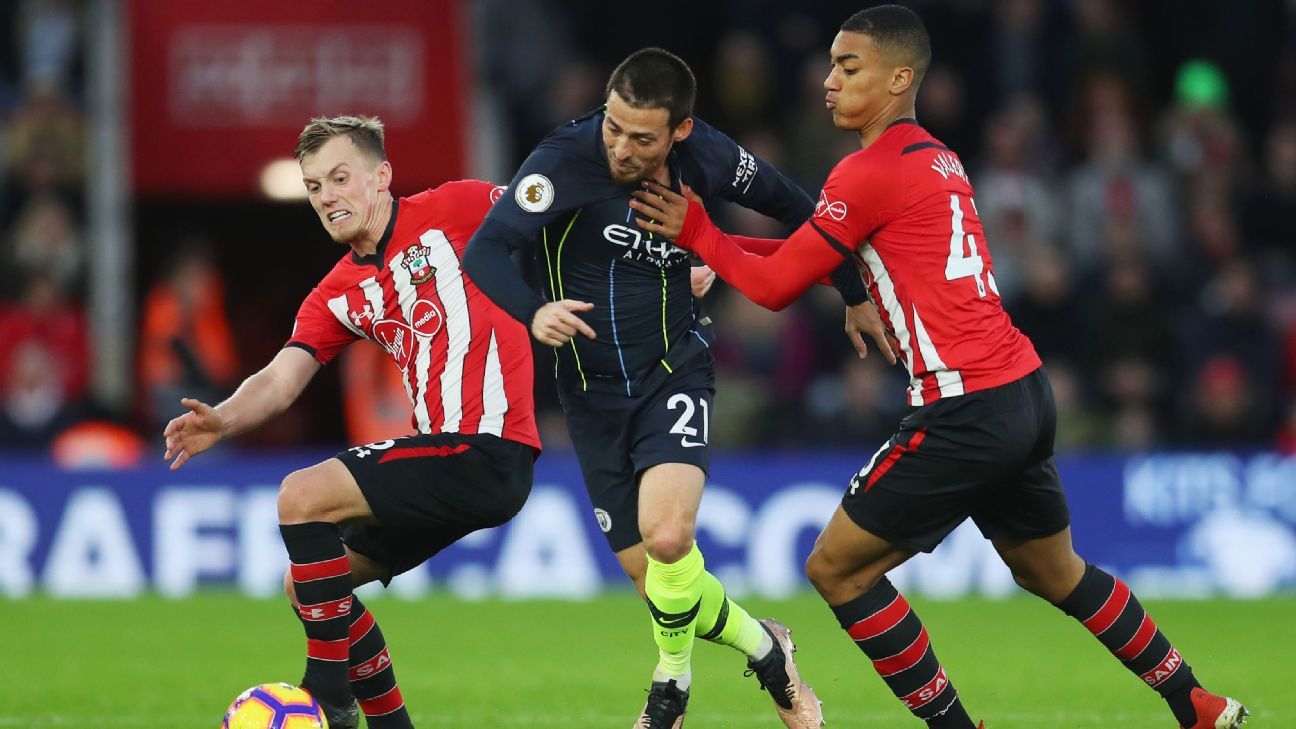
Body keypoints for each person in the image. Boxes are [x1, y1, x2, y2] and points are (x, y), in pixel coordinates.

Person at [628, 7, 1248, 729]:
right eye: (830, 65)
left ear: (899, 79)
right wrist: (716, 248)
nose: (828, 81)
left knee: (836, 568)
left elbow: (775, 287)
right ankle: (1194, 700)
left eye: (848, 67)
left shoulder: (866, 172)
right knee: (1054, 571)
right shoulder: (935, 158)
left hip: (964, 406)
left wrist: (699, 231)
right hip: (1021, 389)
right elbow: (808, 258)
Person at [463, 47, 892, 729]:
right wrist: (534, 310)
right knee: (658, 583)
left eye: (641, 138)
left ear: (679, 131)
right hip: (590, 396)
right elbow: (485, 249)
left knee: (668, 538)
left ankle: (670, 688)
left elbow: (798, 207)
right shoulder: (563, 161)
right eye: (613, 127)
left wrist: (851, 290)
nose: (620, 148)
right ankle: (767, 646)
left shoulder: (710, 157)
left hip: (674, 369)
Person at [163, 116, 539, 729]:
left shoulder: (458, 206)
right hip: (446, 458)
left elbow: (555, 212)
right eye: (314, 186)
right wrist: (223, 420)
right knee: (310, 588)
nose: (326, 197)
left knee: (301, 495)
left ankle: (328, 695)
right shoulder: (336, 292)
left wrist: (666, 265)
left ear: (382, 176)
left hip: (488, 445)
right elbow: (281, 378)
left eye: (340, 178)